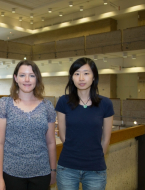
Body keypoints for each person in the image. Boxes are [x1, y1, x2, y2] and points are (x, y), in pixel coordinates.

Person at [0, 60, 57, 190]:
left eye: (32, 75)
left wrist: (53, 170)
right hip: (12, 174)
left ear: (37, 78)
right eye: (22, 75)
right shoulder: (4, 104)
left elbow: (51, 142)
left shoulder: (47, 106)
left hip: (41, 173)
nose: (27, 79)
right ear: (15, 78)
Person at [56, 57, 114, 190]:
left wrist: (96, 158)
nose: (81, 78)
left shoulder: (105, 104)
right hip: (67, 168)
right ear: (72, 78)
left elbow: (106, 139)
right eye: (77, 74)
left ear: (94, 77)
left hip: (95, 169)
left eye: (86, 73)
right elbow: (62, 135)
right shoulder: (63, 102)